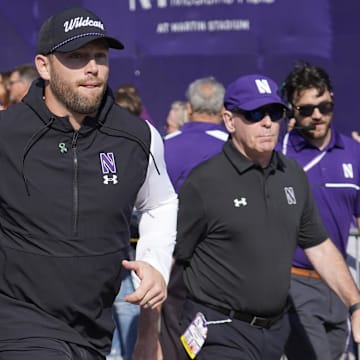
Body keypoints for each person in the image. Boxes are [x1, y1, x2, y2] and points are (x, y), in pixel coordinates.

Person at [0, 6, 177, 360]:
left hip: (94, 332)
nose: (92, 67)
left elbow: (160, 204)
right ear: (44, 66)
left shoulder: (138, 137)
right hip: (17, 324)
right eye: (76, 57)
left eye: (100, 56)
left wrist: (155, 266)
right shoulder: (7, 134)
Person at [174, 73, 360, 360]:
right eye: (254, 113)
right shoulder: (204, 182)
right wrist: (153, 333)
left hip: (274, 332)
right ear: (229, 120)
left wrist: (355, 304)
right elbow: (172, 258)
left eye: (275, 113)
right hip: (219, 329)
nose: (267, 122)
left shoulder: (292, 174)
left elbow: (319, 246)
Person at [277, 62, 360, 359]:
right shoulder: (278, 152)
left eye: (324, 106)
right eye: (307, 109)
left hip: (339, 285)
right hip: (293, 281)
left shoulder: (354, 152)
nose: (317, 115)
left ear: (333, 99)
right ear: (292, 110)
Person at [160, 76, 228, 359]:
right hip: (224, 264)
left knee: (174, 341)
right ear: (223, 109)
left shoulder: (165, 145)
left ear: (189, 108)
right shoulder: (234, 148)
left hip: (175, 263)